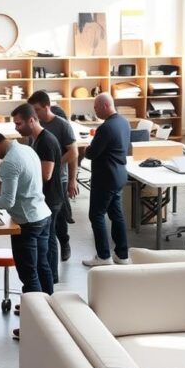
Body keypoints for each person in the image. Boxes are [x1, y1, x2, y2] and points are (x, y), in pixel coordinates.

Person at [0, 127, 52, 339]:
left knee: (29, 275)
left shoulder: (9, 163)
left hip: (27, 221)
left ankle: (36, 326)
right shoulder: (26, 149)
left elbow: (5, 201)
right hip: (43, 215)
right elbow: (7, 193)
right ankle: (52, 315)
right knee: (42, 266)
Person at [12, 103, 64, 284]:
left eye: (19, 124)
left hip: (50, 198)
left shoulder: (46, 141)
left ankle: (48, 290)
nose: (16, 128)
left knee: (46, 249)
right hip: (43, 199)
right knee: (44, 250)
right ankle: (44, 289)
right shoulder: (35, 140)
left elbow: (46, 175)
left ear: (32, 120)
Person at [28, 91, 78, 261]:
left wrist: (71, 178)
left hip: (59, 179)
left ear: (47, 107)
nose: (34, 114)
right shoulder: (35, 125)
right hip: (42, 178)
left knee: (59, 217)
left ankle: (64, 243)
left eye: (37, 110)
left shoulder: (62, 125)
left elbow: (74, 153)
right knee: (46, 218)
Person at [82, 93, 131, 266]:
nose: (94, 111)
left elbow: (91, 153)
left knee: (96, 215)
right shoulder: (124, 122)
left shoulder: (106, 128)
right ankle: (122, 254)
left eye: (95, 107)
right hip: (119, 175)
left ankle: (103, 256)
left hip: (105, 178)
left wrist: (87, 147)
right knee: (116, 215)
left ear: (104, 106)